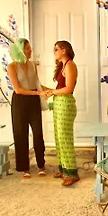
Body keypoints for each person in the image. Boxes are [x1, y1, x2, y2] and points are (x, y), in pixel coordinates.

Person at [7, 38, 46, 178]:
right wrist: (37, 93)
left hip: (33, 101)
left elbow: (37, 84)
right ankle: (25, 168)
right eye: (27, 48)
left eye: (30, 48)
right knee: (21, 134)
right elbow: (18, 89)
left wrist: (49, 91)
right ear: (20, 50)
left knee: (38, 133)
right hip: (20, 102)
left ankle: (41, 165)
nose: (30, 51)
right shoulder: (12, 66)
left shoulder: (33, 65)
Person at [42, 40, 79, 187]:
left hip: (65, 103)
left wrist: (52, 92)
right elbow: (60, 88)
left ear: (64, 50)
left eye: (56, 49)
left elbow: (68, 89)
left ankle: (72, 173)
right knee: (59, 137)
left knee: (65, 138)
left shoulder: (70, 65)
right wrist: (47, 90)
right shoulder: (62, 65)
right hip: (59, 103)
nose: (54, 52)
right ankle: (64, 169)